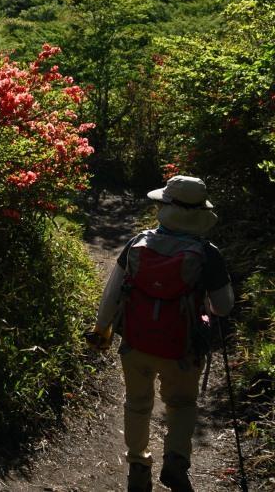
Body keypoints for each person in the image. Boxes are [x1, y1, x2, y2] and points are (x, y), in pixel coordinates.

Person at [87, 175, 234, 492]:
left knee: (137, 404)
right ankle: (176, 463)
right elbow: (223, 306)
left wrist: (102, 329)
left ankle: (138, 466)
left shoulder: (139, 243)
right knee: (181, 405)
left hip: (137, 343)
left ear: (165, 206)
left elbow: (112, 293)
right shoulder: (207, 254)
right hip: (181, 349)